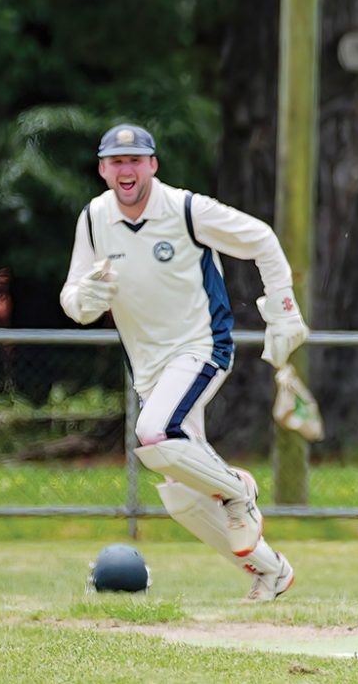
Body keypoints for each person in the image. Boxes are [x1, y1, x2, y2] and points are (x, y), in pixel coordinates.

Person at [60, 123, 308, 601]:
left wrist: (282, 311)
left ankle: (237, 489)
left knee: (154, 434)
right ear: (102, 170)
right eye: (116, 162)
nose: (126, 169)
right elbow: (75, 300)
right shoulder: (94, 218)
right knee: (181, 489)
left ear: (153, 165)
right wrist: (84, 298)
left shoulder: (187, 210)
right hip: (149, 367)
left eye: (135, 160)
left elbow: (261, 239)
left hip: (201, 346)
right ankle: (271, 570)